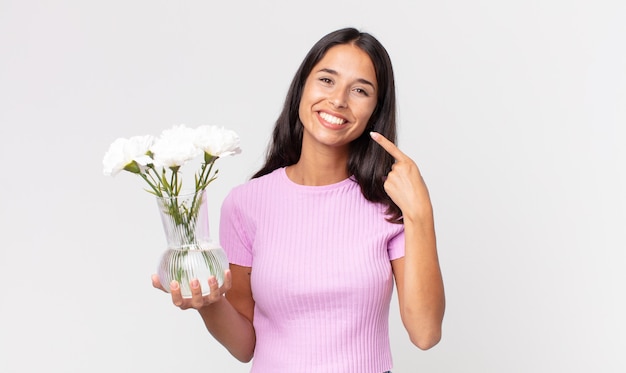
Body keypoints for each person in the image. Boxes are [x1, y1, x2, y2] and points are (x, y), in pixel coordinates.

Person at [152, 27, 445, 372]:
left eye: (360, 90)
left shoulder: (389, 205)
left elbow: (425, 333)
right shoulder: (246, 204)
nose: (338, 100)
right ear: (302, 87)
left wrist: (420, 212)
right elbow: (246, 346)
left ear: (375, 110)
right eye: (326, 80)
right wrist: (207, 302)